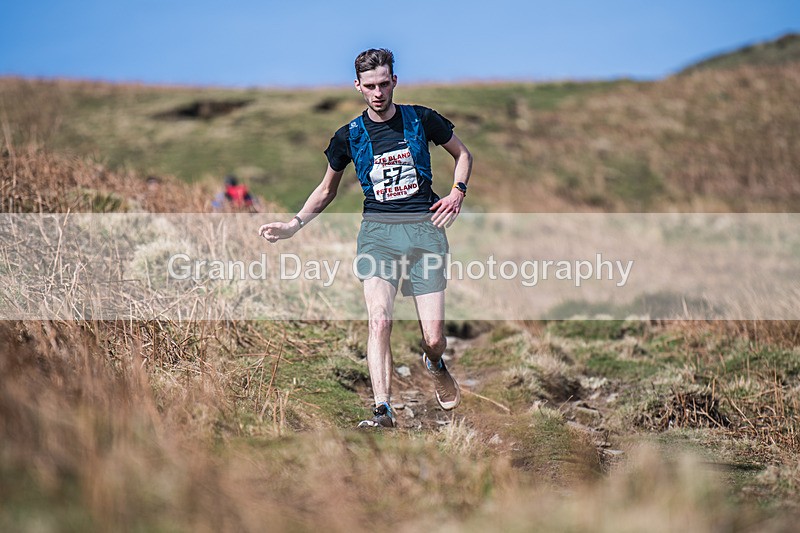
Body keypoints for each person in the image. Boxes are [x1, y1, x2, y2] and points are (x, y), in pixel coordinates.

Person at [259, 48, 473, 428]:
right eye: (370, 86)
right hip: (378, 236)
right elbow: (326, 190)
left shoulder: (421, 119)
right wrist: (293, 226)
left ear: (394, 81)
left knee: (434, 337)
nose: (378, 92)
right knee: (379, 320)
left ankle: (435, 362)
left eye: (384, 84)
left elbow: (463, 155)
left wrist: (457, 192)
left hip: (425, 234)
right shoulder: (349, 136)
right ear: (358, 86)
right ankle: (382, 410)